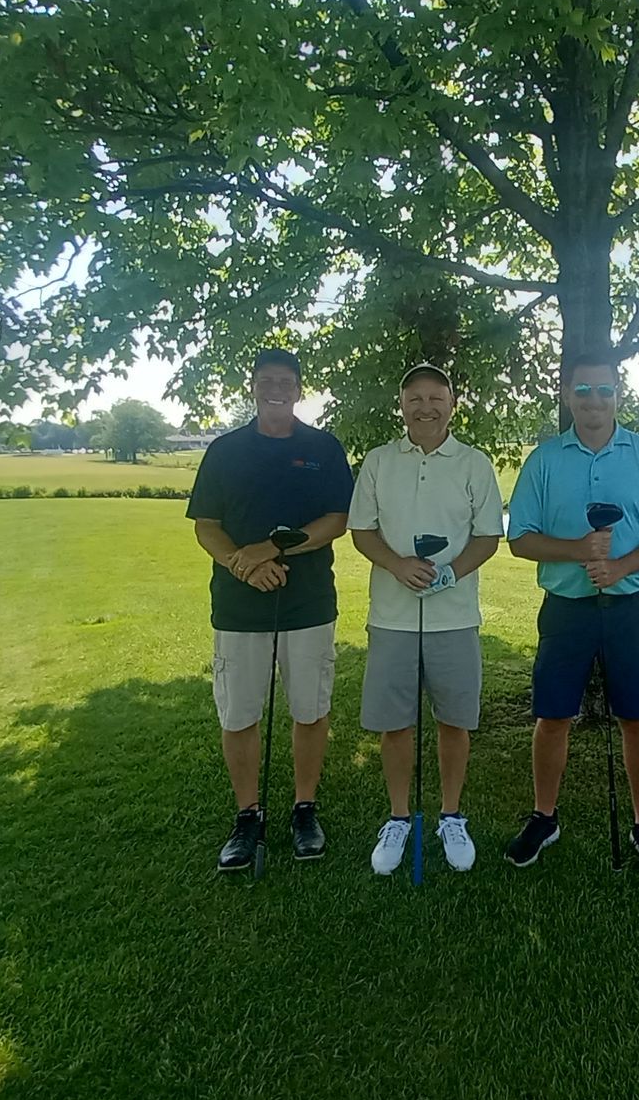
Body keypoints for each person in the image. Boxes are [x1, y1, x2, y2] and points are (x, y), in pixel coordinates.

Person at [502, 349, 639, 876]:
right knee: (553, 715)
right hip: (566, 608)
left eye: (604, 390)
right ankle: (544, 815)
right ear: (567, 396)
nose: (594, 400)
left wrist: (622, 564)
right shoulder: (544, 460)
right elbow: (521, 539)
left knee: (638, 717)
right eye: (582, 390)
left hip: (629, 607)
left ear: (618, 395)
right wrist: (580, 551)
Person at [188, 348, 354, 872]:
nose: (276, 388)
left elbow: (337, 519)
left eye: (285, 380)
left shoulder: (323, 447)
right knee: (239, 715)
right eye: (266, 380)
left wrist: (274, 548)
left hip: (307, 604)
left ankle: (304, 808)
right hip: (239, 606)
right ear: (252, 387)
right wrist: (245, 564)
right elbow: (206, 525)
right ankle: (247, 815)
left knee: (310, 709)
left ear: (300, 389)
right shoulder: (224, 450)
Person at [348, 364, 504, 875]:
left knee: (454, 721)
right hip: (392, 618)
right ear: (402, 404)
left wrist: (449, 574)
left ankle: (451, 816)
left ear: (452, 404)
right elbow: (363, 531)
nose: (425, 407)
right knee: (394, 724)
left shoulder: (474, 463)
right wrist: (398, 565)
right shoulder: (377, 461)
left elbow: (486, 537)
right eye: (415, 398)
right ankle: (398, 817)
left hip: (454, 618)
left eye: (436, 398)